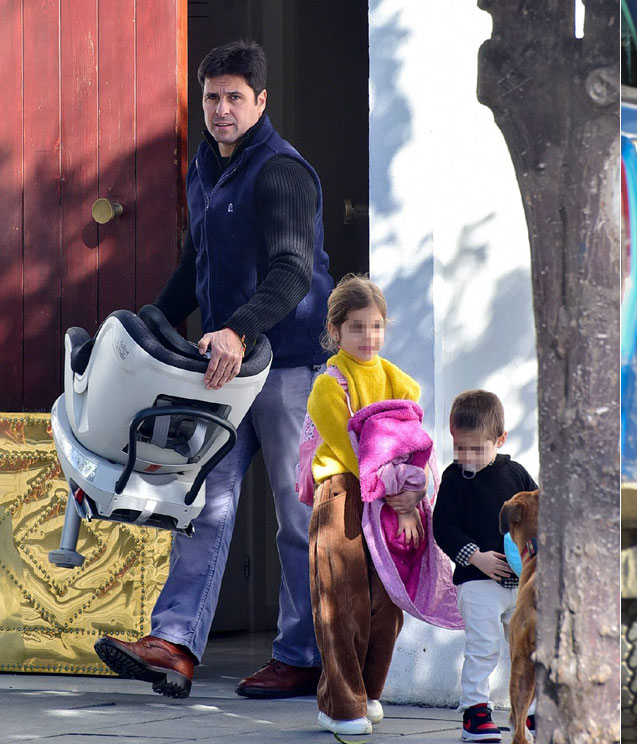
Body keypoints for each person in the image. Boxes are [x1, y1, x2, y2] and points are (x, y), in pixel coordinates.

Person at [94, 39, 334, 700]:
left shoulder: (285, 173)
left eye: (234, 97)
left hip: (287, 369)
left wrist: (238, 328)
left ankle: (301, 655)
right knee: (202, 504)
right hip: (223, 372)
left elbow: (291, 271)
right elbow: (191, 271)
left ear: (261, 101)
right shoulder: (206, 168)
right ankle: (174, 645)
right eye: (211, 97)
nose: (222, 110)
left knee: (295, 517)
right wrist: (149, 324)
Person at [303, 275, 430, 736]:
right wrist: (399, 494)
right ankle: (341, 703)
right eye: (357, 327)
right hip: (343, 493)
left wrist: (410, 499)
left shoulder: (400, 382)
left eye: (376, 326)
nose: (368, 337)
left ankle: (369, 691)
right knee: (342, 601)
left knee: (388, 603)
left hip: (393, 498)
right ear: (335, 331)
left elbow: (413, 446)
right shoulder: (328, 385)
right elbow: (355, 454)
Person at [433, 390, 539, 743]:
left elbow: (538, 512)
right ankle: (475, 711)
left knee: (526, 645)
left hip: (519, 586)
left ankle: (531, 710)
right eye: (460, 448)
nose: (467, 458)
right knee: (483, 645)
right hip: (477, 582)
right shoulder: (453, 480)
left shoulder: (516, 475)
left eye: (477, 449)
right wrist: (475, 556)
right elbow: (443, 527)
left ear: (500, 439)